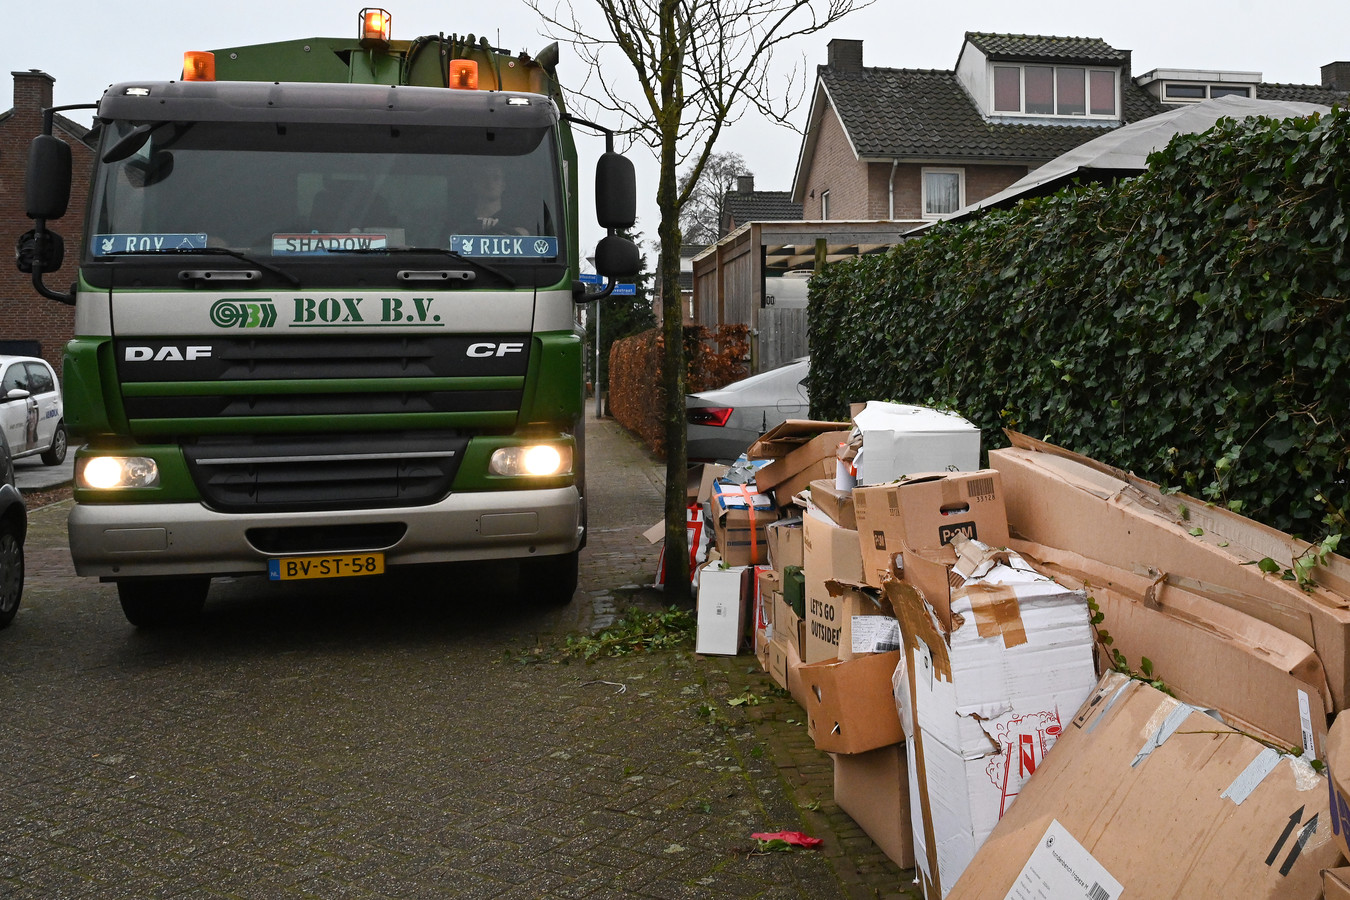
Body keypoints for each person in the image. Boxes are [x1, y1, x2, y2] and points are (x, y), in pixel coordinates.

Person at [462, 160, 529, 235]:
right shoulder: (462, 220)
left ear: (503, 185)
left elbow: (525, 237)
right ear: (474, 184)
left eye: (496, 178)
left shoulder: (514, 220)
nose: (490, 182)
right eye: (484, 177)